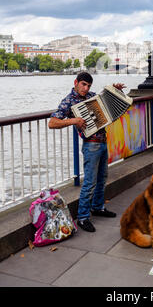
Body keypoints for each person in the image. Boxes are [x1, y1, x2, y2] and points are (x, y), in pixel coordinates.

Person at [48, 72, 126, 233]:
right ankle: (83, 217)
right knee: (89, 182)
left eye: (88, 85)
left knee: (102, 178)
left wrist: (117, 91)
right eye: (83, 84)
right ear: (76, 82)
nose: (86, 88)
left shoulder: (92, 96)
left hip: (103, 142)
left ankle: (98, 207)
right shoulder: (68, 101)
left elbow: (109, 105)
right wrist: (74, 120)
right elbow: (52, 123)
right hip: (90, 145)